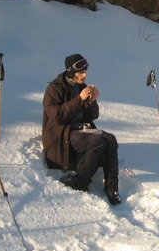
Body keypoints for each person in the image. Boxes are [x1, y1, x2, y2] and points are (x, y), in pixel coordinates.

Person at [42, 54, 121, 205]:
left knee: (110, 139)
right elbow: (56, 117)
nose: (84, 75)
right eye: (80, 72)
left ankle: (112, 188)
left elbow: (93, 116)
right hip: (62, 135)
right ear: (71, 71)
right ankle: (80, 182)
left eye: (85, 71)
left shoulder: (82, 87)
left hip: (81, 130)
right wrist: (79, 99)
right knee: (97, 141)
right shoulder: (55, 88)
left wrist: (91, 101)